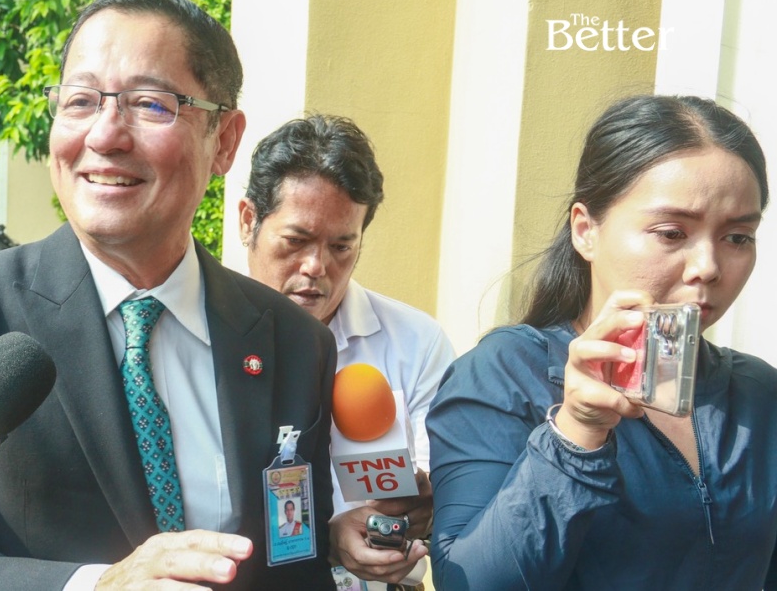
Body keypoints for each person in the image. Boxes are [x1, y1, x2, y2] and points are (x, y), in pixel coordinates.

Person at [0, 0, 337, 590]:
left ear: (225, 141)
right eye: (80, 100)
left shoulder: (294, 343)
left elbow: (297, 561)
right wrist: (93, 586)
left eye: (150, 104)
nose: (105, 136)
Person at [426, 95, 777, 589]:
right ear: (585, 230)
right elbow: (471, 582)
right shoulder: (504, 374)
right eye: (671, 233)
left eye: (738, 237)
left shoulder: (759, 393)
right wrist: (576, 432)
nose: (708, 267)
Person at [240, 115, 455, 586]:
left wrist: (422, 505)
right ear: (247, 221)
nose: (316, 266)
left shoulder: (416, 341)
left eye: (341, 247)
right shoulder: (202, 335)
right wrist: (325, 539)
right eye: (296, 241)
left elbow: (446, 491)